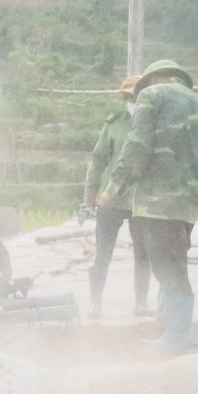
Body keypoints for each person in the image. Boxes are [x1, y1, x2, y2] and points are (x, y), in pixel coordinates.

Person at [97, 58, 198, 352]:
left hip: (158, 199)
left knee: (169, 269)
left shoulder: (152, 96)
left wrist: (113, 188)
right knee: (175, 263)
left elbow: (137, 145)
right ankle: (170, 328)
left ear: (153, 80)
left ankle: (173, 339)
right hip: (189, 202)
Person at [83, 74, 155, 319]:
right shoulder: (114, 124)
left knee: (143, 253)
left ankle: (142, 302)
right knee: (103, 252)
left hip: (141, 198)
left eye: (136, 97)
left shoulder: (155, 125)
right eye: (129, 97)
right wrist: (90, 193)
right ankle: (95, 303)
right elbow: (98, 159)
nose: (132, 101)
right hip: (110, 198)